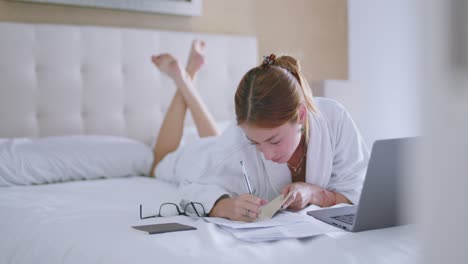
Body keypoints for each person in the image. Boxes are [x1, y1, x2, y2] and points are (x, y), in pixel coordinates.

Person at [151, 41, 369, 222]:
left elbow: (359, 192)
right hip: (199, 157)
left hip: (222, 150)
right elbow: (190, 189)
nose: (266, 154)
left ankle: (186, 75)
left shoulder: (334, 119)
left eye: (274, 141)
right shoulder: (236, 145)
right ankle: (183, 77)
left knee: (217, 142)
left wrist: (313, 193)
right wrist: (223, 206)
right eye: (255, 143)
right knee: (158, 163)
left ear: (301, 115)